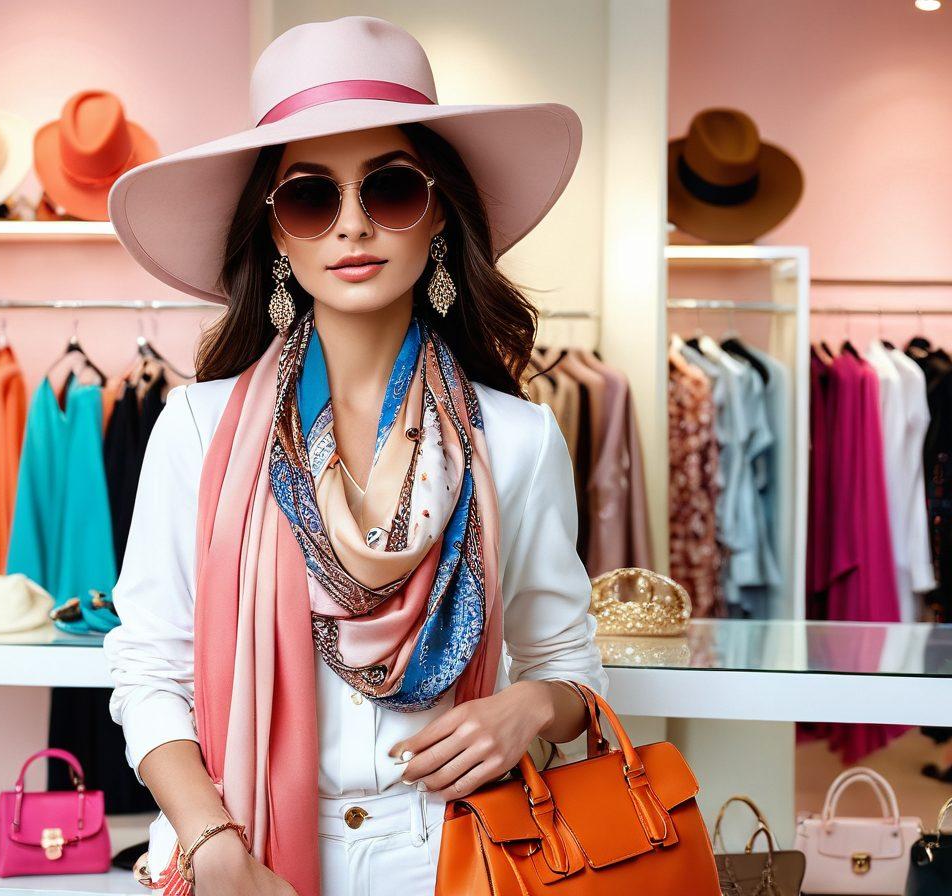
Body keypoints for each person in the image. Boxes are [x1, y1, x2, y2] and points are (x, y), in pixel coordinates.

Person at [102, 15, 608, 896]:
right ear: (278, 236)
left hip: (458, 856)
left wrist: (528, 708)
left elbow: (568, 663)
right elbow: (147, 669)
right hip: (245, 853)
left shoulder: (518, 441)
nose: (352, 227)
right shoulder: (195, 429)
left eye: (392, 190)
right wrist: (214, 844)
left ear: (438, 213)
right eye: (310, 197)